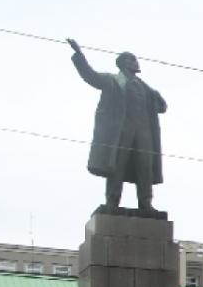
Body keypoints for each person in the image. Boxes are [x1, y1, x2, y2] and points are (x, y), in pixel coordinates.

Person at [67, 39, 168, 213]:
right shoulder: (112, 80)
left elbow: (162, 107)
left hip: (144, 133)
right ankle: (112, 202)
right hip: (121, 131)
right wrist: (79, 55)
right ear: (123, 63)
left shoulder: (146, 88)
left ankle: (146, 203)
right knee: (117, 166)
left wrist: (157, 97)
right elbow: (90, 76)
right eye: (132, 59)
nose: (136, 62)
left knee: (145, 167)